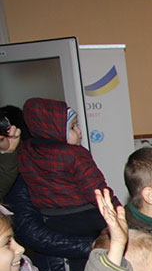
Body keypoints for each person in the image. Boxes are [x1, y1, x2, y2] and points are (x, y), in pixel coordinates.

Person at [18, 97, 119, 237]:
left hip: (51, 218)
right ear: (54, 130)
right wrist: (118, 210)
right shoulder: (74, 154)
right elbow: (96, 189)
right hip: (86, 216)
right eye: (72, 127)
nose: (79, 131)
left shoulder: (25, 151)